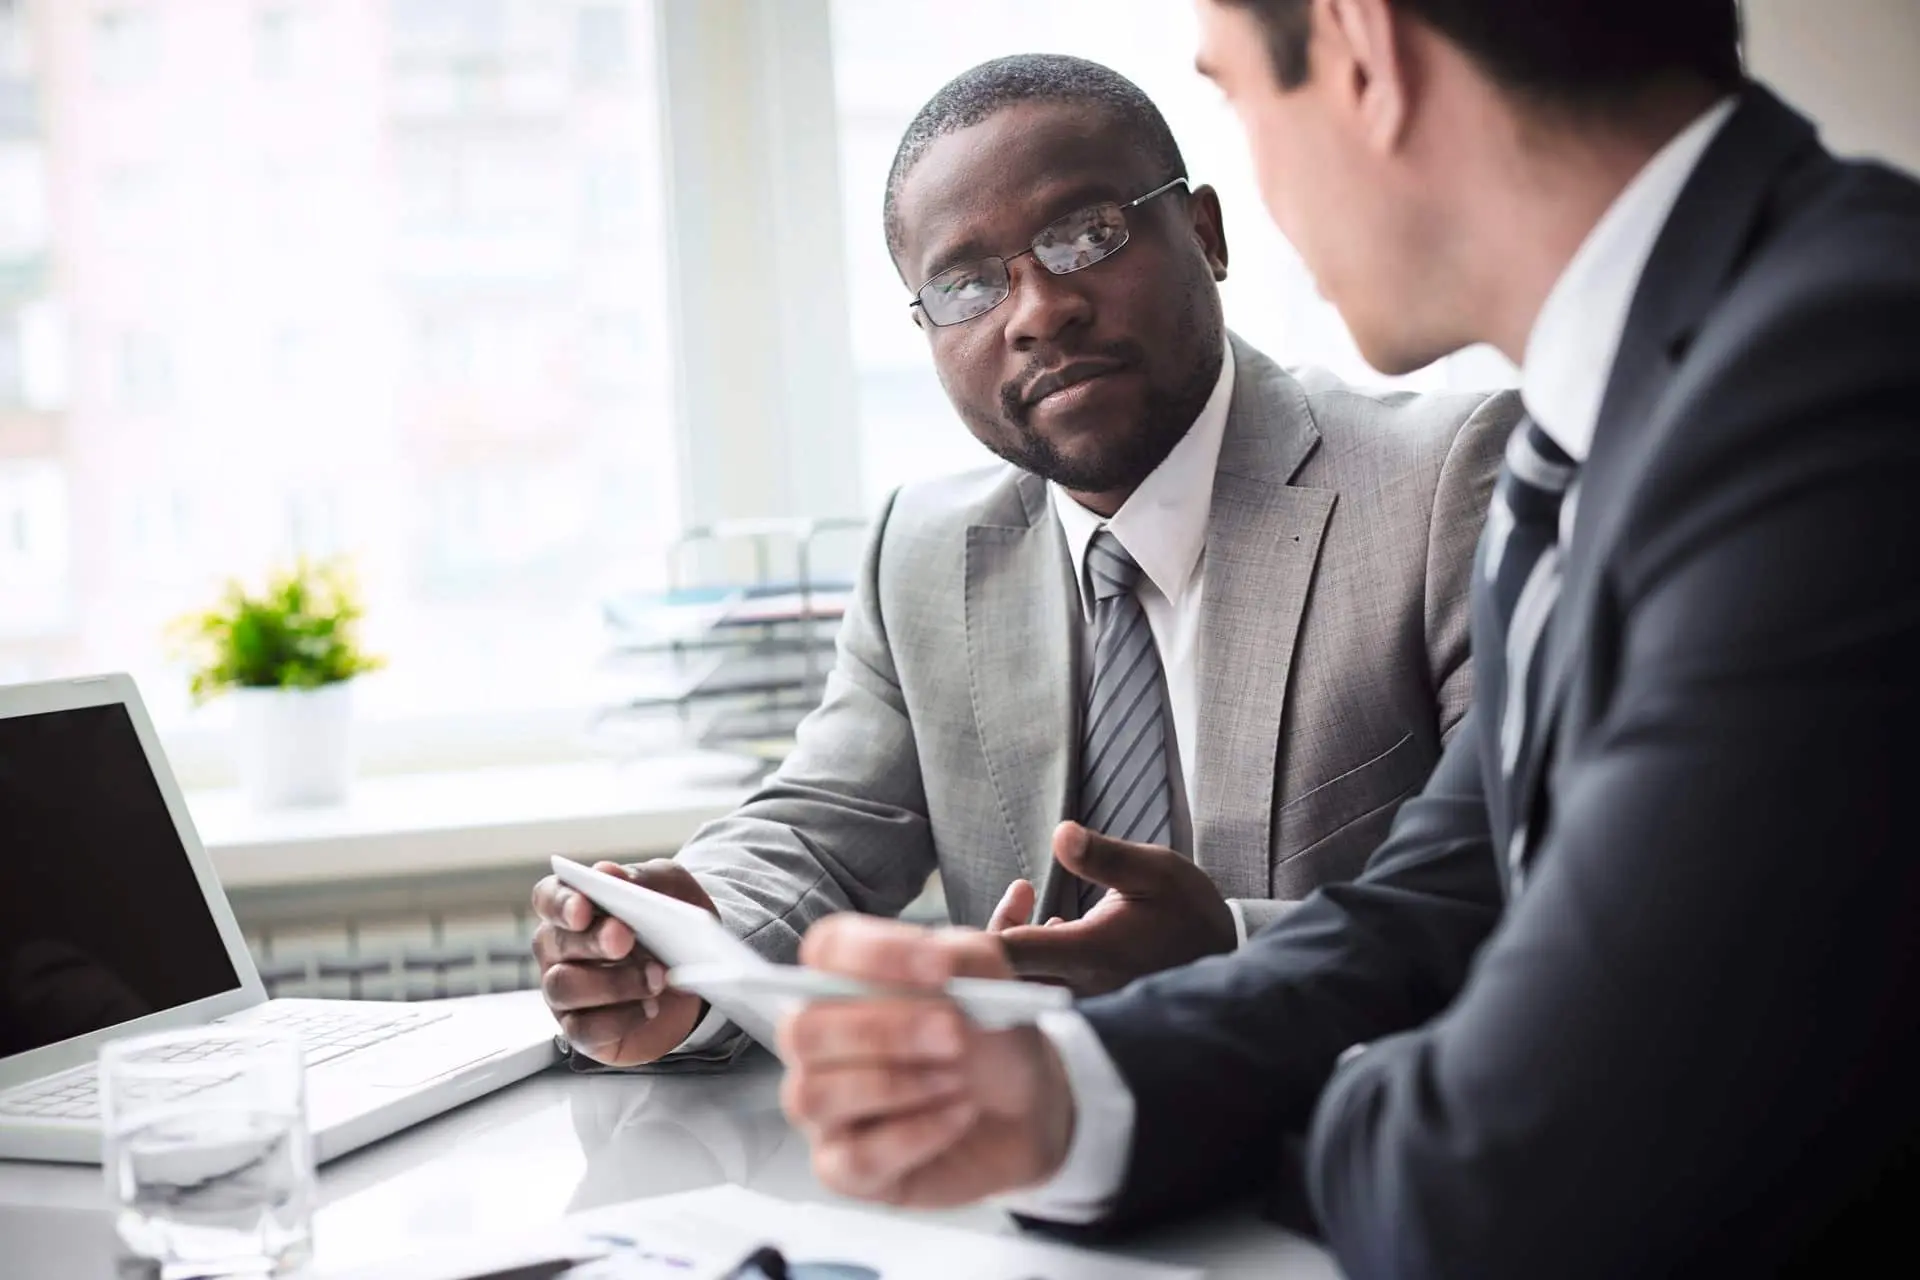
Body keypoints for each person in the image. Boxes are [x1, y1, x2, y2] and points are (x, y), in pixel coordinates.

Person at [775, 1, 1920, 1274]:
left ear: (1363, 53)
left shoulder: (1841, 378)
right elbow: (1439, 896)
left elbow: (1522, 1154)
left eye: (1234, 95)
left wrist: (1149, 1122)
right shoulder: (1615, 412)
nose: (1039, 310)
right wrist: (1067, 1090)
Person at [530, 55, 1518, 1069]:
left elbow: (1517, 895)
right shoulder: (923, 551)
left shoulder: (1442, 483)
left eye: (1086, 235)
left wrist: (1231, 950)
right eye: (965, 284)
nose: (1038, 309)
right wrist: (680, 941)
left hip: (1354, 1143)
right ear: (923, 330)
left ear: (1206, 235)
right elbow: (820, 825)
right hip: (1030, 1163)